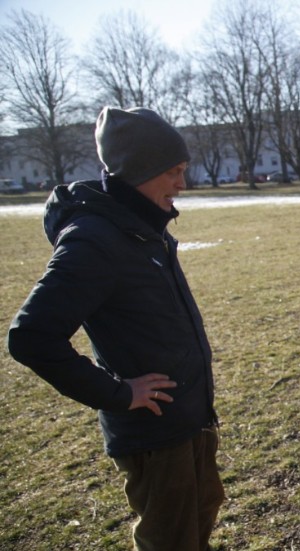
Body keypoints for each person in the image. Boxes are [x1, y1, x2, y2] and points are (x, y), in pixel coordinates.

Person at [7, 107, 223, 550]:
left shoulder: (143, 227)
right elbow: (31, 336)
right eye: (173, 172)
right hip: (154, 436)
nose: (182, 184)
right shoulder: (95, 239)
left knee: (198, 526)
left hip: (188, 420)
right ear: (139, 172)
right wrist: (120, 394)